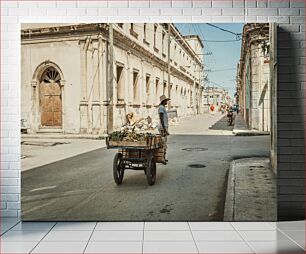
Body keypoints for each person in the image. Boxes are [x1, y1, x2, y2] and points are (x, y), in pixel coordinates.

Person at [158, 95, 170, 164]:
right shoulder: (161, 108)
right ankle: (162, 158)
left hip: (164, 127)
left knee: (164, 142)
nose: (167, 102)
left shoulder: (162, 107)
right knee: (163, 143)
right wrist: (165, 129)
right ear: (163, 101)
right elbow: (161, 118)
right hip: (163, 128)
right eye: (166, 101)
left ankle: (163, 158)